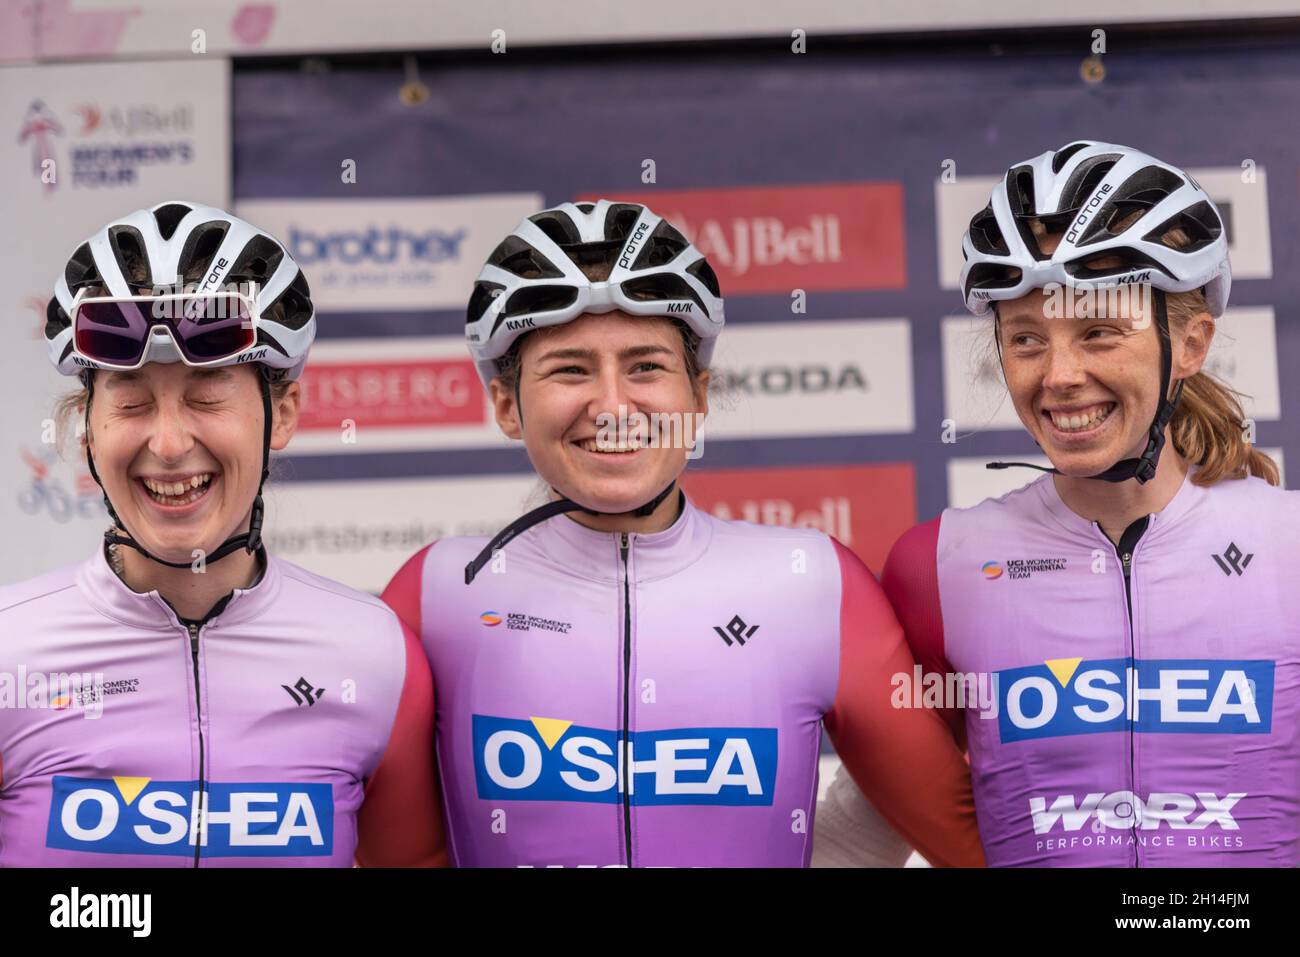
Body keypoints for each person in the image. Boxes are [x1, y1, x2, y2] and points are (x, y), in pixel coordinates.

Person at [381, 200, 984, 867]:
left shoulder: (808, 581)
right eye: (570, 369)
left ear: (698, 397)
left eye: (645, 367)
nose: (612, 406)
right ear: (505, 404)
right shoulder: (434, 595)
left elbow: (967, 841)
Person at [821, 140, 1299, 866]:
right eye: (1026, 339)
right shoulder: (943, 566)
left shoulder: (1289, 546)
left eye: (1099, 332)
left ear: (1192, 341)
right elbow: (866, 829)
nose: (1060, 375)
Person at [0, 201, 445, 867]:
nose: (170, 442)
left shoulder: (376, 655)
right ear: (87, 424)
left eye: (208, 394)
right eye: (131, 398)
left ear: (283, 412)